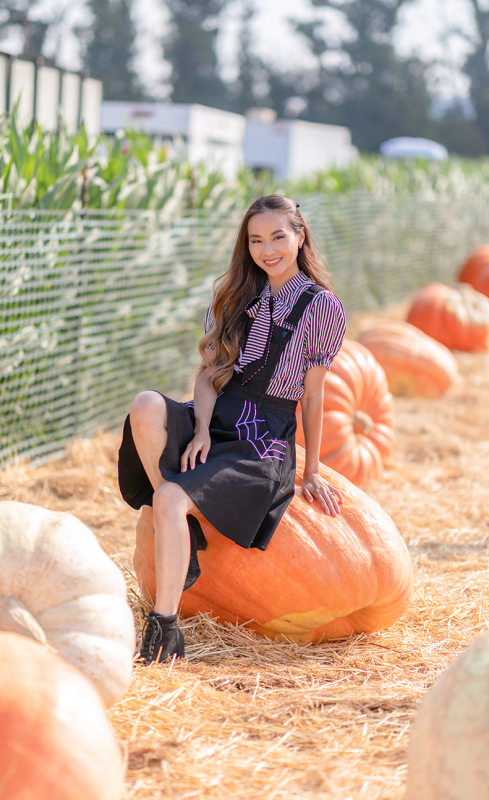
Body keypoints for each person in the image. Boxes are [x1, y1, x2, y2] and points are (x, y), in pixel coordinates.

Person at [118, 194, 346, 664]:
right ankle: (184, 524)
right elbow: (208, 375)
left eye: (278, 237)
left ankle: (164, 627)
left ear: (300, 236)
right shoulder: (235, 297)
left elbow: (313, 396)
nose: (267, 250)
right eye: (256, 240)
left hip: (263, 439)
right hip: (218, 417)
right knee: (145, 405)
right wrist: (201, 428)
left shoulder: (321, 306)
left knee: (169, 497)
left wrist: (313, 472)